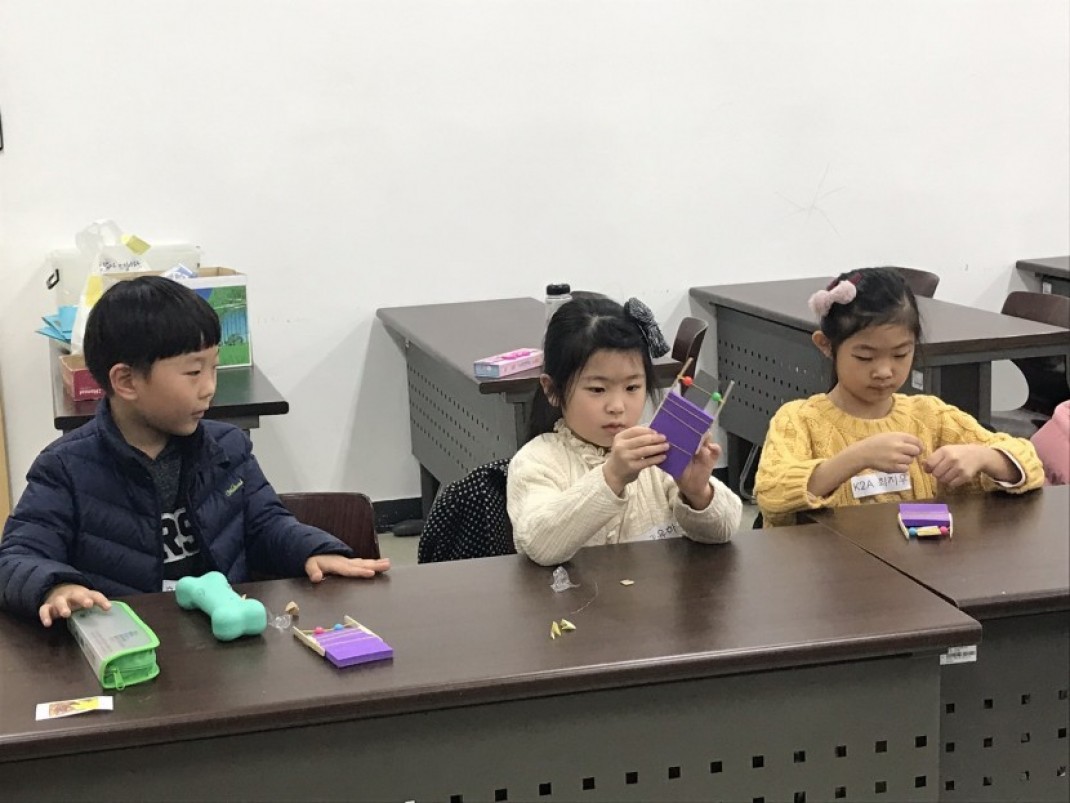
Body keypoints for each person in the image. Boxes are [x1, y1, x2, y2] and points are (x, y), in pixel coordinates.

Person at [0, 276, 389, 627]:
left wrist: (311, 550)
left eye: (214, 368)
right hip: (132, 642)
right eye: (193, 372)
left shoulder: (227, 447)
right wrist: (56, 586)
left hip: (223, 633)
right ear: (126, 381)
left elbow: (266, 523)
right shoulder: (66, 467)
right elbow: (16, 557)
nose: (209, 388)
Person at [755, 268, 1044, 526]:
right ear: (826, 346)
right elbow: (771, 494)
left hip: (918, 564)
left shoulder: (930, 416)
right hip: (831, 566)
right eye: (865, 357)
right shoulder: (799, 420)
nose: (884, 371)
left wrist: (985, 458)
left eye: (900, 354)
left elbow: (1030, 464)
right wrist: (856, 457)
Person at [507, 296, 742, 565]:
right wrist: (612, 476)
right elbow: (540, 546)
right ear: (551, 390)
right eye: (597, 389)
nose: (617, 407)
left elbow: (724, 530)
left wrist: (698, 492)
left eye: (632, 387)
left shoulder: (658, 449)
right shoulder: (536, 461)